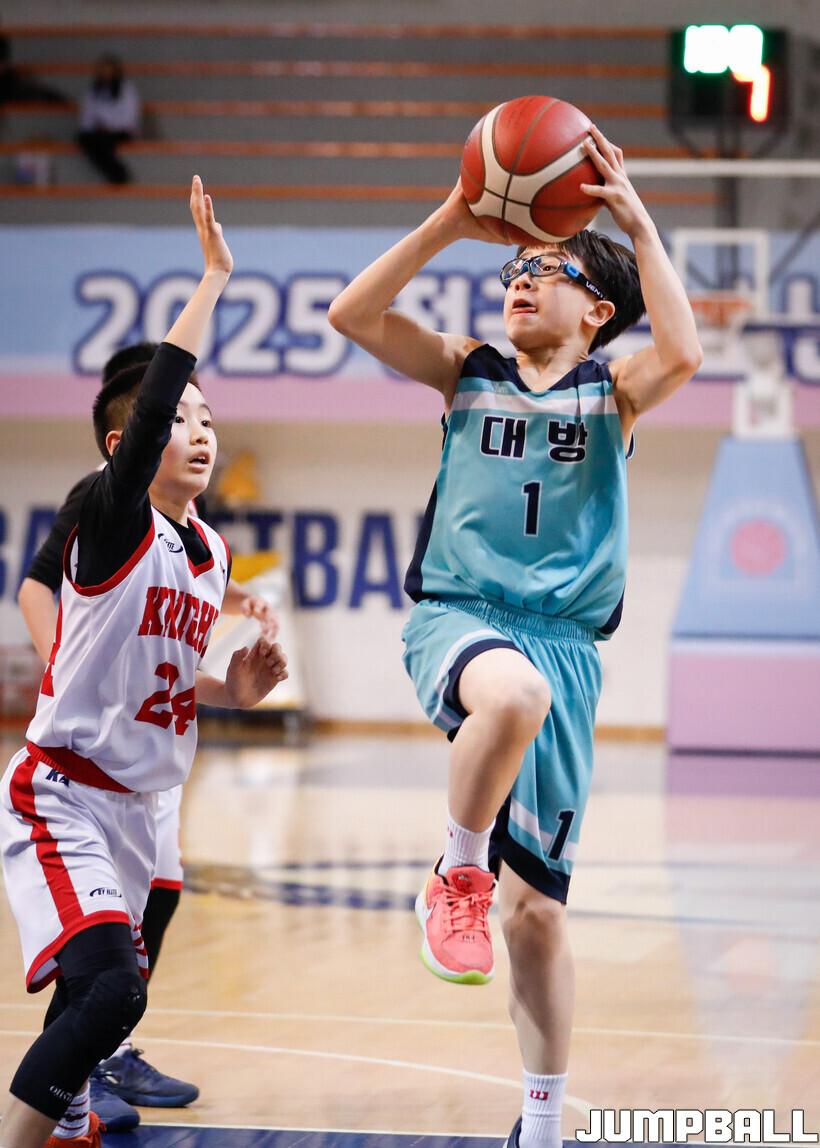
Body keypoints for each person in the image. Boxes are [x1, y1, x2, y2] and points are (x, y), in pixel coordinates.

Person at [328, 125, 702, 1148]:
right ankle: (457, 870)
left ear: (598, 310)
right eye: (516, 269)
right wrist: (453, 218)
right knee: (510, 694)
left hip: (566, 649)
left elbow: (684, 352)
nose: (522, 282)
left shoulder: (612, 392)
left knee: (537, 917)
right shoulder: (467, 369)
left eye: (549, 270)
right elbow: (351, 313)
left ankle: (541, 1121)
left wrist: (635, 220)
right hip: (461, 617)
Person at [0, 175, 288, 1148]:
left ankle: (71, 1120)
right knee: (113, 991)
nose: (199, 431)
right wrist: (212, 279)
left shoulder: (208, 553)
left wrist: (230, 689)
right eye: (180, 419)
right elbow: (158, 390)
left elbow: (158, 675)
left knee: (104, 995)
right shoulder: (111, 514)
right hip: (66, 793)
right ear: (129, 446)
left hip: (140, 805)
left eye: (209, 420)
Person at [76, 54, 140, 185]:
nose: (105, 75)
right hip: (98, 132)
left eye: (108, 71)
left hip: (121, 131)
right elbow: (86, 118)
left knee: (102, 141)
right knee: (85, 139)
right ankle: (116, 171)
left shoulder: (126, 90)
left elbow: (130, 118)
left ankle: (118, 173)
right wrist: (96, 126)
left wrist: (110, 126)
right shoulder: (93, 91)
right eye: (102, 71)